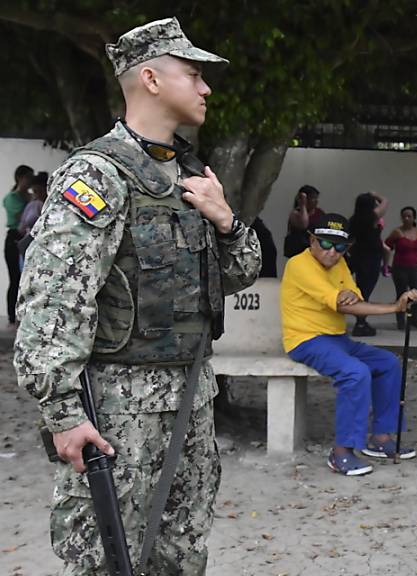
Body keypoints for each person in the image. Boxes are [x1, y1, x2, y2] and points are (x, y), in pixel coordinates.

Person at [13, 17, 261, 575]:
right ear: (149, 78)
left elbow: (242, 273)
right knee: (107, 560)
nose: (206, 88)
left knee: (180, 552)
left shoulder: (192, 175)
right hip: (119, 407)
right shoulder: (99, 175)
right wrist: (61, 411)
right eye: (194, 74)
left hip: (193, 397)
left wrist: (225, 221)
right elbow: (52, 301)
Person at [281, 212, 417, 476]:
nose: (332, 252)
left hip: (337, 340)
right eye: (325, 243)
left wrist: (383, 303)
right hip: (306, 340)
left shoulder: (340, 264)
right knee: (355, 373)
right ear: (311, 241)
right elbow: (342, 302)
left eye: (340, 247)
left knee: (388, 364)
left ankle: (380, 438)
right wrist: (393, 307)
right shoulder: (299, 265)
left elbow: (354, 302)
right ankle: (342, 451)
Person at [348, 191, 389, 336]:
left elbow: (350, 240)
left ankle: (361, 321)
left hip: (359, 257)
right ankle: (360, 323)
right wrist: (376, 194)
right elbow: (385, 201)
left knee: (361, 289)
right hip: (371, 259)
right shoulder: (370, 217)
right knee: (365, 292)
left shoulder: (353, 220)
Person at [386, 206, 417, 330]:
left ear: (414, 217)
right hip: (399, 267)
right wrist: (387, 263)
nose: (406, 218)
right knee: (401, 293)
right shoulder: (397, 232)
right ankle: (400, 321)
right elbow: (387, 246)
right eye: (404, 216)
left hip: (413, 268)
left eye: (409, 216)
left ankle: (415, 319)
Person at [5, 164, 32, 323]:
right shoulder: (12, 197)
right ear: (20, 178)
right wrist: (30, 202)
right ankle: (11, 317)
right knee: (14, 278)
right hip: (14, 238)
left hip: (27, 239)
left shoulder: (30, 197)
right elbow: (17, 216)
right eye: (27, 178)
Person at [284, 184, 323, 257]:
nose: (316, 201)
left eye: (316, 198)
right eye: (313, 198)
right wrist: (302, 205)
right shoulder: (295, 213)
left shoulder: (320, 213)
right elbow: (304, 224)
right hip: (298, 250)